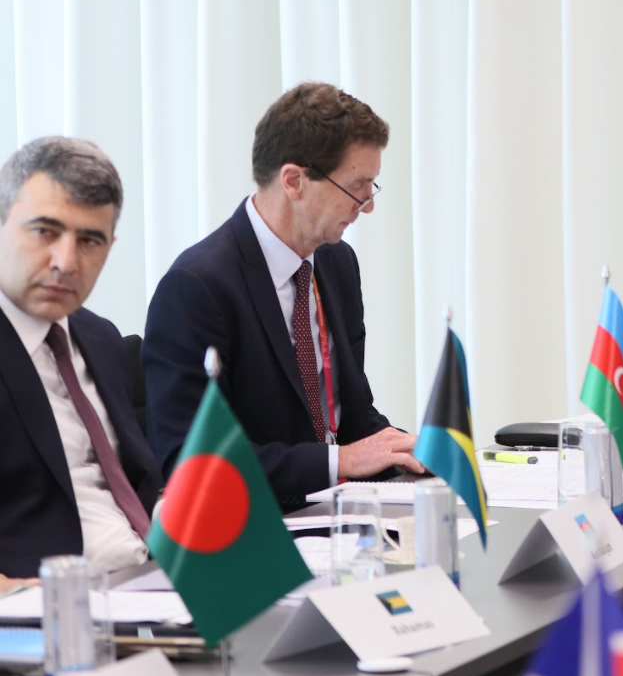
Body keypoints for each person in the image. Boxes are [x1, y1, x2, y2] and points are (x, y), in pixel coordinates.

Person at [145, 83, 423, 504]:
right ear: (294, 181)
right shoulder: (198, 288)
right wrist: (339, 462)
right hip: (259, 531)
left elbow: (345, 416)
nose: (367, 207)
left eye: (372, 189)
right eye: (357, 188)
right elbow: (192, 463)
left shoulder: (336, 264)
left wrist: (407, 449)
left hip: (342, 518)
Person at [0, 137, 161, 581]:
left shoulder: (99, 336)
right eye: (44, 232)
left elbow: (135, 484)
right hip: (50, 613)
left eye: (90, 240)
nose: (66, 262)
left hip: (155, 583)